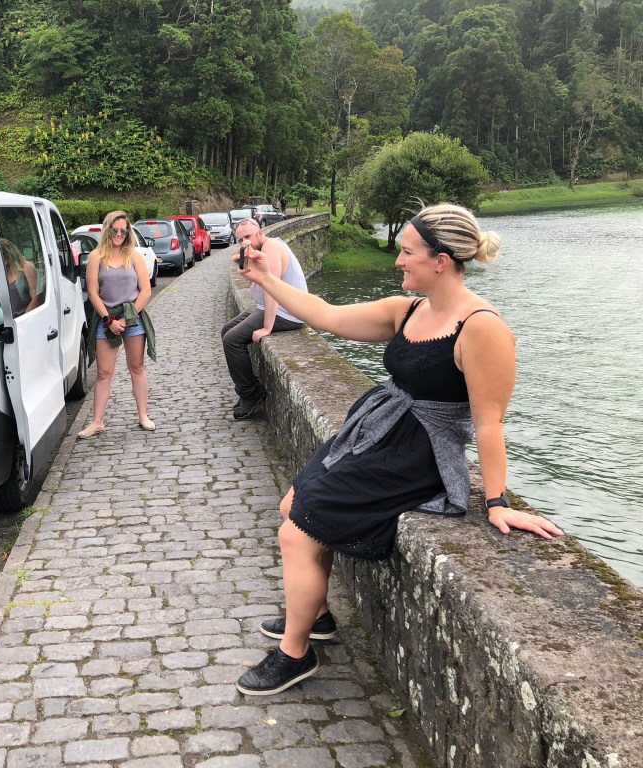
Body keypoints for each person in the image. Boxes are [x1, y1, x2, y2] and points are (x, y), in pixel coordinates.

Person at [233, 202, 565, 696]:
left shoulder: (482, 326)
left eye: (408, 252)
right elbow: (326, 314)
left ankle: (296, 653)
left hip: (419, 453)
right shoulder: (408, 309)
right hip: (380, 431)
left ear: (441, 260)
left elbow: (489, 422)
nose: (398, 260)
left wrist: (497, 502)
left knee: (295, 532)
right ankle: (316, 614)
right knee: (291, 506)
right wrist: (265, 278)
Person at [77, 210, 156, 438]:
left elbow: (146, 290)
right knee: (103, 372)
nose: (119, 234)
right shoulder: (96, 257)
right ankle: (97, 422)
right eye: (115, 229)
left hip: (132, 316)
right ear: (107, 229)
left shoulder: (134, 256)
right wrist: (108, 320)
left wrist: (126, 318)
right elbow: (93, 292)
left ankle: (143, 415)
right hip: (106, 317)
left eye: (123, 230)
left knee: (136, 367)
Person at [222, 217, 308, 420]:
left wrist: (267, 327)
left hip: (286, 313)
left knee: (232, 340)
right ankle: (248, 387)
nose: (245, 242)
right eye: (240, 239)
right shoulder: (258, 250)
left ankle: (250, 393)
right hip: (269, 308)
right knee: (226, 330)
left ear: (260, 233)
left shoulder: (271, 248)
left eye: (248, 237)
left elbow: (271, 289)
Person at [0, 238, 38, 316]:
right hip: (8, 319)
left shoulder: (26, 267)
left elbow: (35, 297)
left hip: (26, 317)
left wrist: (26, 317)